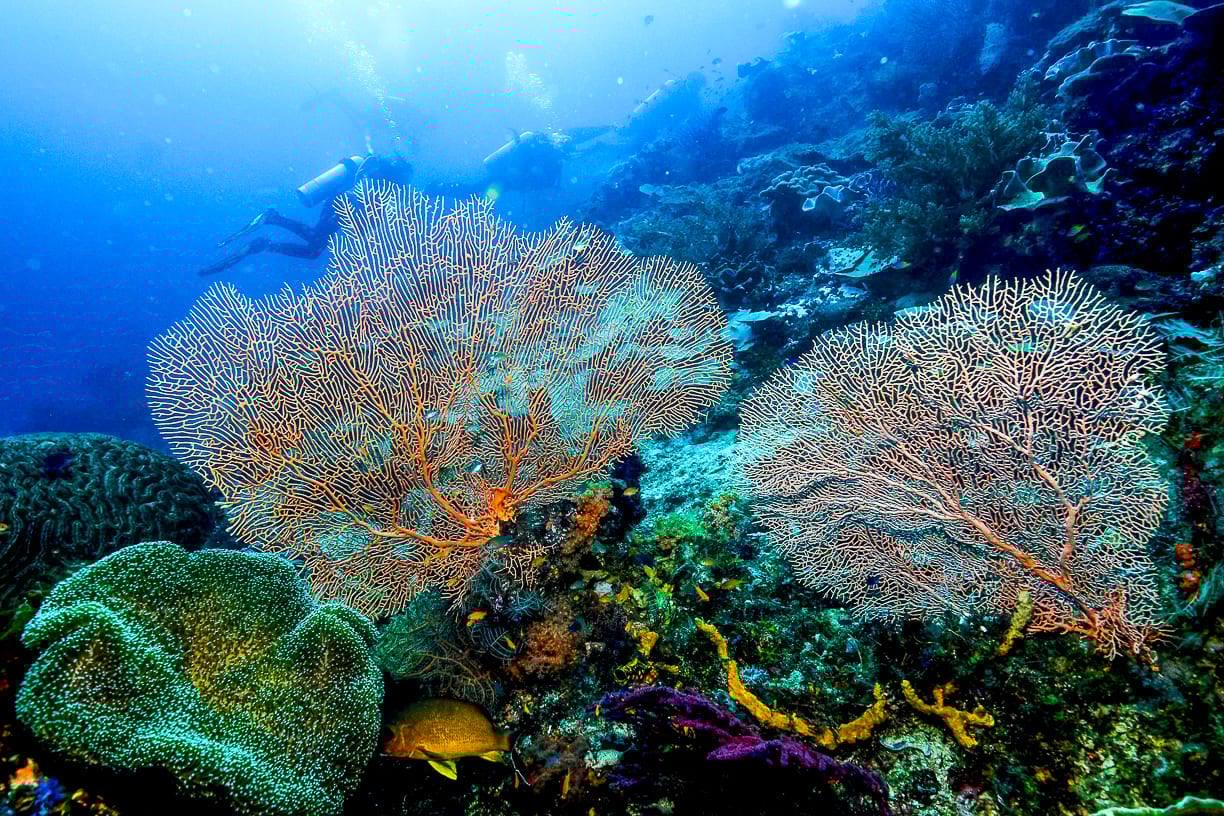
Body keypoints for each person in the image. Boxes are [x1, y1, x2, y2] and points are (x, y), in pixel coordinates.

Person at [198, 152, 413, 276]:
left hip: (339, 201)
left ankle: (265, 240)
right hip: (344, 204)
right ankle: (271, 221)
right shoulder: (387, 179)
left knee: (314, 250)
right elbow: (370, 207)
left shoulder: (375, 169)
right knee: (315, 244)